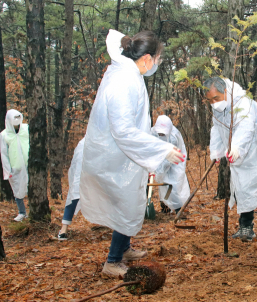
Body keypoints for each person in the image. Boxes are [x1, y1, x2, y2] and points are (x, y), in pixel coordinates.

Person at [79, 29, 185, 278]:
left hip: (123, 157)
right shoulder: (124, 81)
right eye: (157, 58)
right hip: (114, 158)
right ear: (147, 58)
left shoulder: (129, 74)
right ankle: (112, 262)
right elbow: (124, 131)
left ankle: (123, 248)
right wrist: (162, 149)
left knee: (129, 202)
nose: (157, 64)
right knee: (125, 206)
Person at [204, 76, 257, 242]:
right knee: (240, 188)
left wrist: (237, 147)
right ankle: (244, 226)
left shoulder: (243, 103)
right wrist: (217, 151)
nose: (213, 103)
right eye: (210, 100)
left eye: (216, 98)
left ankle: (247, 227)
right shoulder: (218, 108)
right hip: (235, 155)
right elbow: (217, 128)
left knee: (247, 188)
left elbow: (247, 127)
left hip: (252, 153)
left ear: (226, 91)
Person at [150, 115, 190, 213]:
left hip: (175, 161)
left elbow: (170, 158)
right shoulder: (152, 133)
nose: (161, 134)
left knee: (174, 184)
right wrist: (152, 168)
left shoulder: (174, 137)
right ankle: (165, 206)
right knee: (162, 184)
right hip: (159, 160)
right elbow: (151, 149)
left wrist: (159, 171)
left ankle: (178, 209)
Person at [0, 109, 29, 222]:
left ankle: (34, 211)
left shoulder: (26, 129)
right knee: (17, 189)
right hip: (15, 167)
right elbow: (4, 153)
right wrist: (8, 171)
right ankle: (22, 212)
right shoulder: (4, 134)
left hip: (28, 164)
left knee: (31, 187)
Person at [57, 139, 85, 240]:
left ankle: (117, 226)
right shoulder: (83, 144)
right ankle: (64, 227)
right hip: (87, 150)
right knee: (75, 191)